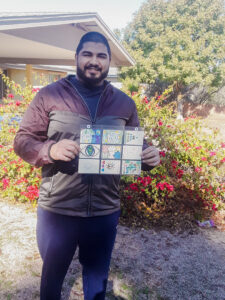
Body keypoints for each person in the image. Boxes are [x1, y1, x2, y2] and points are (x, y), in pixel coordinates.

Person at [14, 31, 160, 300]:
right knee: (52, 279)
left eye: (101, 56)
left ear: (108, 62)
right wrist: (50, 149)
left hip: (104, 211)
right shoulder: (49, 95)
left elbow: (136, 146)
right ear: (77, 58)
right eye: (88, 54)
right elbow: (22, 141)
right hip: (58, 210)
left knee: (96, 281)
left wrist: (149, 157)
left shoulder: (124, 103)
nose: (94, 61)